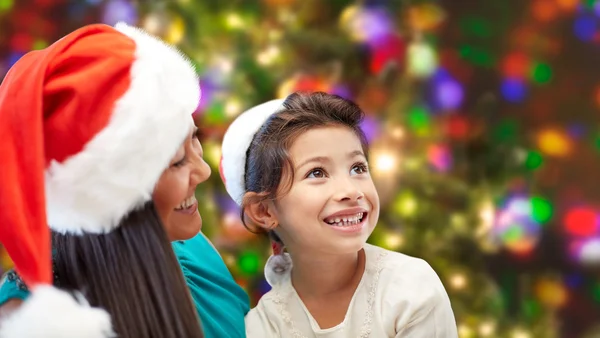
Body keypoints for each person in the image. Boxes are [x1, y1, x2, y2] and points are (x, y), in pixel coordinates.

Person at [0, 22, 210, 337]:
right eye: (178, 161)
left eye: (195, 139)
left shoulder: (195, 254)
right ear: (110, 197)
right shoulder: (36, 325)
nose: (204, 170)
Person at [220, 92, 459, 337]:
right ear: (264, 211)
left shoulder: (409, 288)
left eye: (357, 168)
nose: (351, 191)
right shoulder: (262, 327)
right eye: (316, 173)